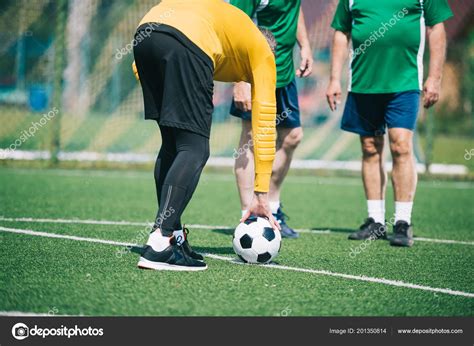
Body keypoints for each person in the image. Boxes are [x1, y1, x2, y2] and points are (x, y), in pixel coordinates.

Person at [132, 0, 280, 271]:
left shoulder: (233, 37)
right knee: (195, 148)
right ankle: (159, 243)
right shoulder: (264, 52)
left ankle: (173, 236)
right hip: (187, 41)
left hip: (146, 35)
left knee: (173, 145)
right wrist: (261, 194)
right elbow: (266, 124)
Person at [326, 0, 453, 247]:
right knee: (370, 149)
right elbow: (341, 31)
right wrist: (333, 78)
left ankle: (402, 223)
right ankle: (375, 221)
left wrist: (435, 77)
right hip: (363, 84)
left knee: (401, 147)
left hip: (404, 84)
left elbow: (437, 27)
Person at [230, 0, 313, 239]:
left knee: (292, 136)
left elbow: (294, 10)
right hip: (254, 69)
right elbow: (236, 26)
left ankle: (271, 209)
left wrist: (305, 45)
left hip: (284, 70)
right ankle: (249, 215)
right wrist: (240, 78)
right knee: (250, 137)